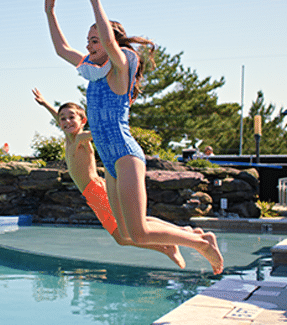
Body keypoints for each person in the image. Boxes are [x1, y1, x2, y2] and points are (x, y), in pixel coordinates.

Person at [44, 0, 223, 274]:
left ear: (110, 43)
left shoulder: (120, 71)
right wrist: (50, 12)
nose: (89, 45)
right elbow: (61, 50)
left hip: (126, 156)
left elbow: (109, 41)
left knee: (138, 233)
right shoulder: (94, 74)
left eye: (94, 40)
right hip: (112, 163)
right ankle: (188, 233)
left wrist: (94, 2)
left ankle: (201, 243)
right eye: (88, 41)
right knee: (126, 232)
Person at [33, 88, 208, 269]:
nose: (66, 121)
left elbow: (94, 134)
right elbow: (61, 118)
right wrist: (45, 103)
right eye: (63, 118)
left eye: (71, 118)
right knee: (128, 230)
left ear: (82, 121)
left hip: (96, 191)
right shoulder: (69, 136)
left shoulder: (79, 138)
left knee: (124, 235)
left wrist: (109, 125)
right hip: (93, 192)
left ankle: (171, 244)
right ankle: (177, 236)